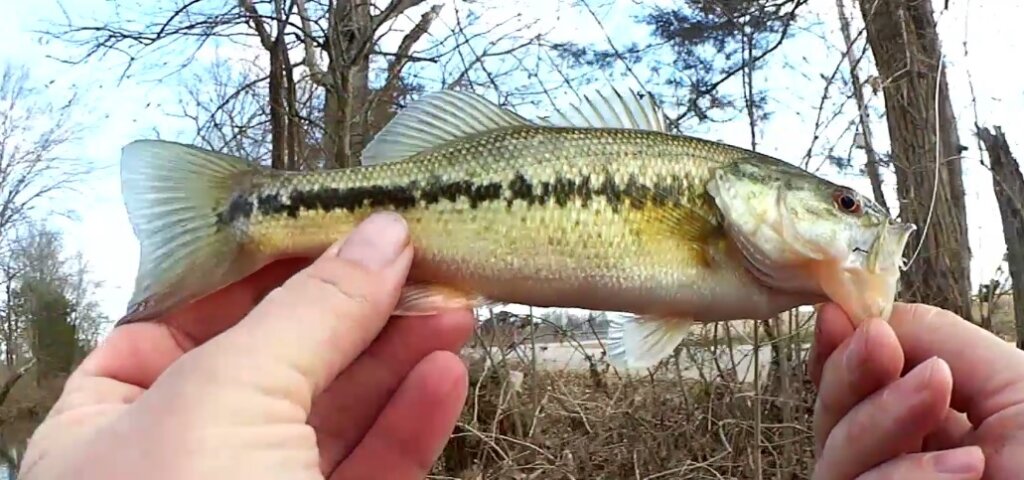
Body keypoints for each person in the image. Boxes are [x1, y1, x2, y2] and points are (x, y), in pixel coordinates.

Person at [13, 213, 1023, 479]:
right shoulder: (714, 233)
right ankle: (254, 209)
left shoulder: (745, 276)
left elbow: (648, 331)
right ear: (743, 205)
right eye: (840, 205)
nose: (857, 225)